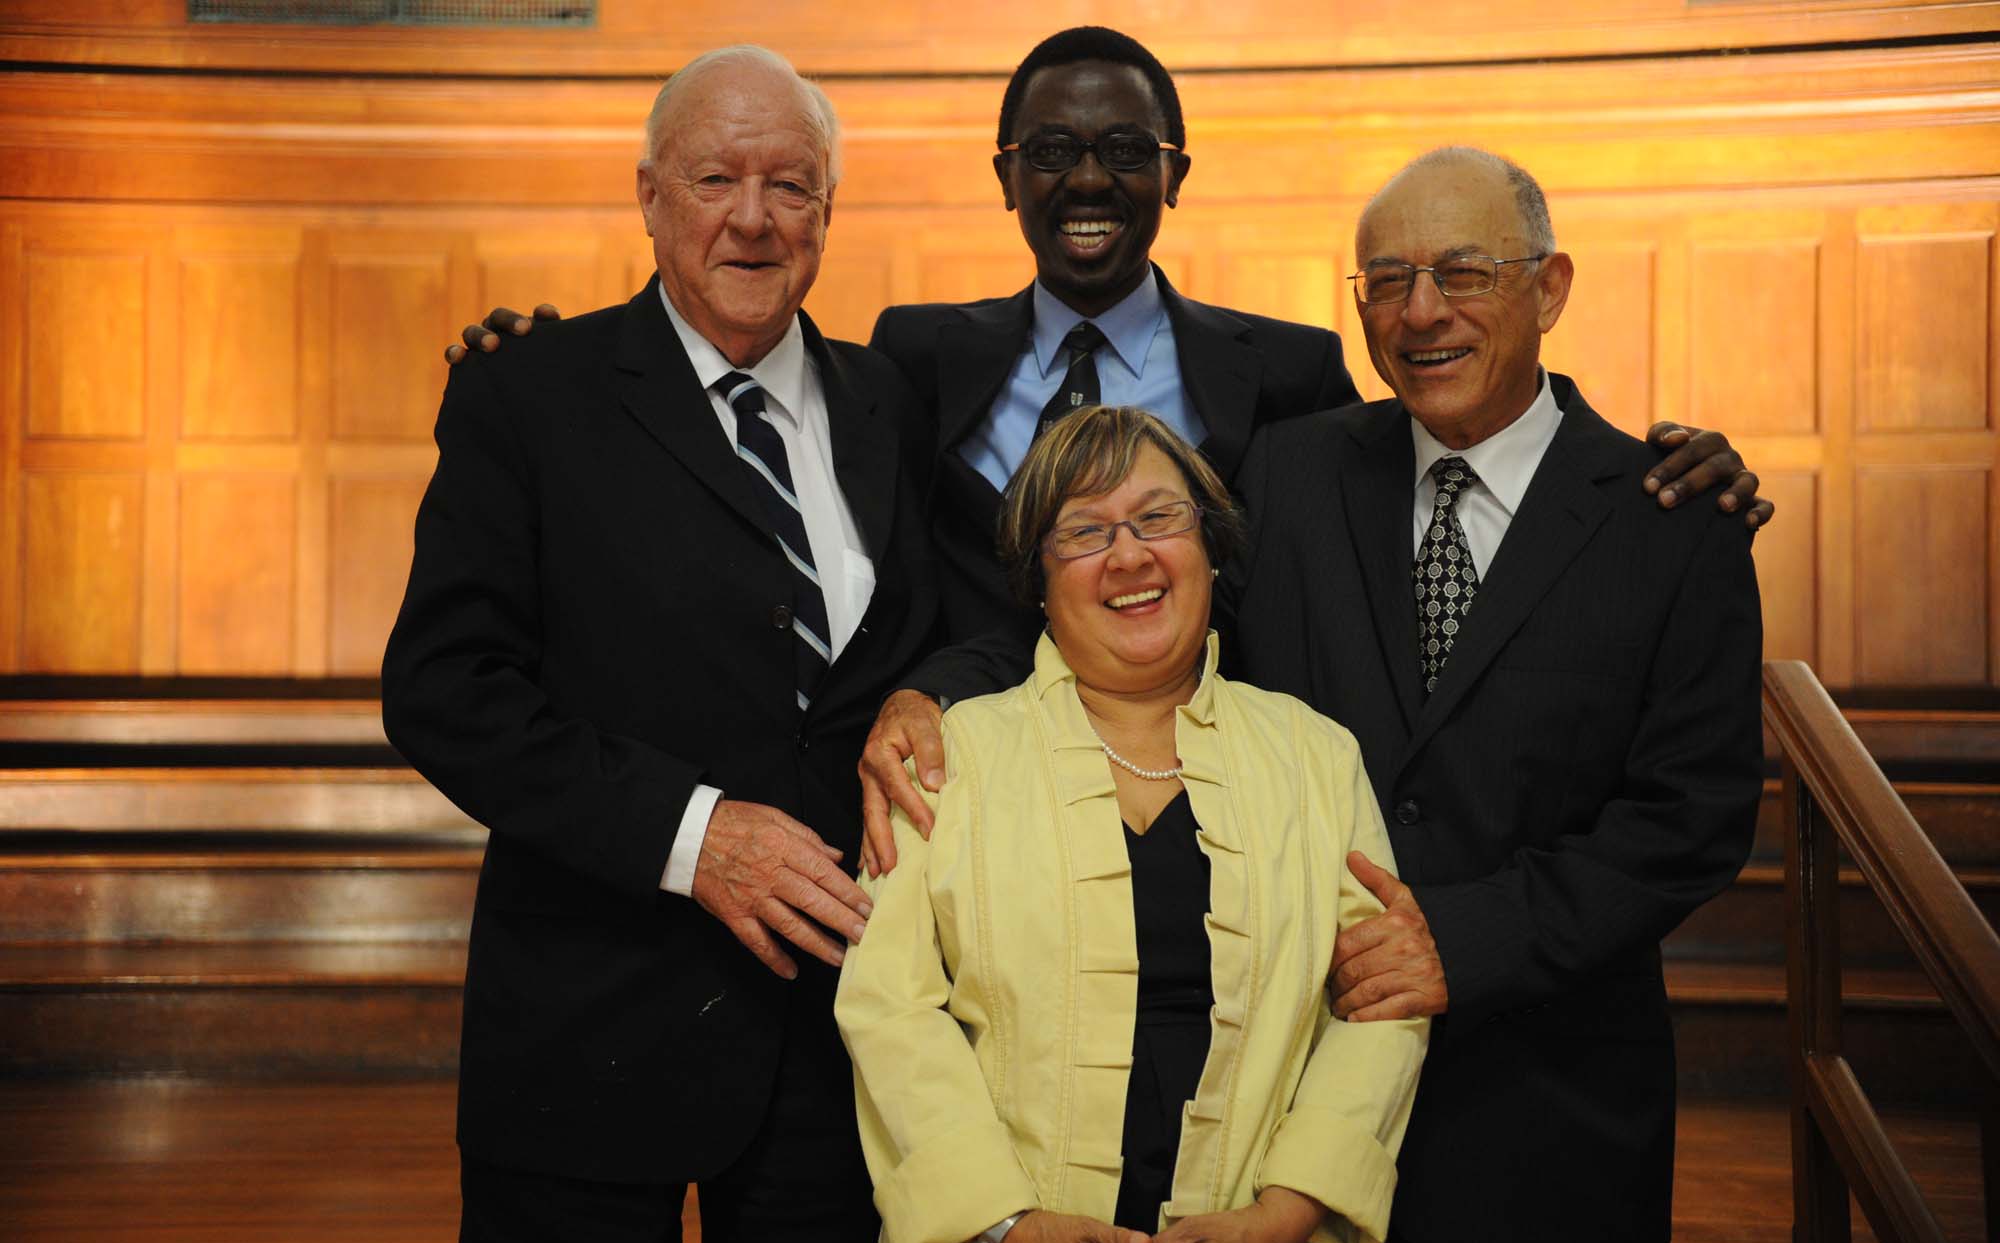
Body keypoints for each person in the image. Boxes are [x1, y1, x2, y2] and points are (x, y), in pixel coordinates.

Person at [868, 147, 1765, 1243]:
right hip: (1269, 1150)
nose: (1419, 310)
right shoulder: (1297, 469)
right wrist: (926, 692)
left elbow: (1688, 818)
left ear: (1547, 288)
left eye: (1459, 272)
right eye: (1384, 280)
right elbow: (1134, 603)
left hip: (1543, 1125)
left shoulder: (1670, 514)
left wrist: (1458, 933)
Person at [448, 27, 1771, 671]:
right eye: (1053, 153)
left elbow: (1464, 431)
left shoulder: (1300, 369)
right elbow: (735, 416)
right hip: (964, 799)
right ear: (1007, 179)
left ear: (1174, 178)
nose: (1090, 178)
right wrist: (546, 358)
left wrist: (1673, 461)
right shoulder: (909, 360)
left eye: (1126, 151)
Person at [379, 46, 939, 1243]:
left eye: (789, 184)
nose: (753, 215)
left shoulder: (886, 404)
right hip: (588, 1021)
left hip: (837, 1035)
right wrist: (695, 838)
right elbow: (444, 690)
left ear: (828, 212)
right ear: (647, 196)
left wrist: (928, 697)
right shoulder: (528, 397)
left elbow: (932, 634)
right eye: (714, 177)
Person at [835, 404, 1427, 1243]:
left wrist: (1278, 1222)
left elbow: (1378, 1011)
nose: (1130, 556)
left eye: (1160, 518)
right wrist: (1007, 1227)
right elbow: (887, 1007)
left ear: (1211, 547)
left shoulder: (1316, 757)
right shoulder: (947, 757)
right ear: (1036, 580)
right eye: (1083, 531)